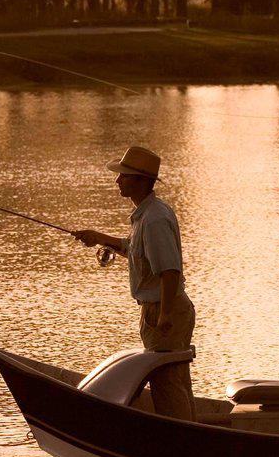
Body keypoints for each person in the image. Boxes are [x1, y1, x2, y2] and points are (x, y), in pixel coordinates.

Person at [74, 145, 197, 421]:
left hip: (164, 310)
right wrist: (98, 237)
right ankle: (187, 433)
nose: (117, 180)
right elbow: (133, 249)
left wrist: (163, 314)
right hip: (160, 308)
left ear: (142, 181)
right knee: (174, 383)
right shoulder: (147, 215)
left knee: (168, 386)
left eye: (124, 176)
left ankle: (183, 440)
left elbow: (169, 272)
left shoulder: (153, 219)